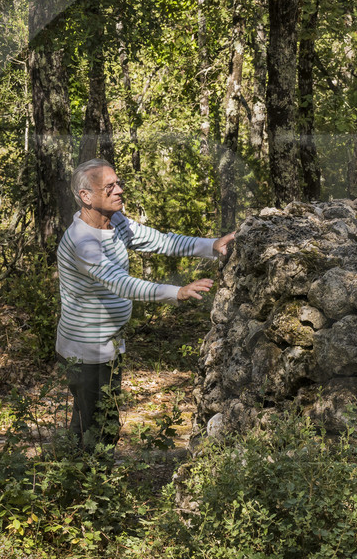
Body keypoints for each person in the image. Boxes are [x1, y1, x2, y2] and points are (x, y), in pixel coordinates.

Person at [56, 158, 233, 449]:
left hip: (107, 345)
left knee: (92, 421)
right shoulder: (82, 241)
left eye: (119, 183)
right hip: (85, 351)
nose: (119, 191)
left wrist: (210, 246)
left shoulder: (116, 223)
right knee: (99, 429)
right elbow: (121, 283)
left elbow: (161, 241)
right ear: (85, 196)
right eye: (109, 187)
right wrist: (176, 292)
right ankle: (88, 487)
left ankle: (75, 480)